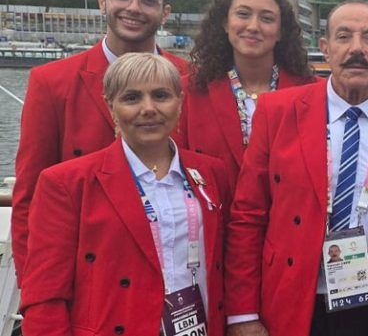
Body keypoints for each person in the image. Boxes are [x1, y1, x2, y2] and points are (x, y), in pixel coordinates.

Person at [225, 0, 368, 336]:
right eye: (344, 37)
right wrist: (242, 313)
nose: (356, 49)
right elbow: (248, 216)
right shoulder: (276, 112)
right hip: (293, 296)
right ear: (325, 49)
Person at [19, 53, 228, 335]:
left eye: (161, 95)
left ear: (180, 102)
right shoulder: (67, 184)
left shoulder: (212, 173)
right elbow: (45, 294)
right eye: (132, 98)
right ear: (110, 106)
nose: (148, 108)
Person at [13, 0, 188, 281]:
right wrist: (35, 291)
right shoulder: (52, 83)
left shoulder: (189, 79)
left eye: (147, 0)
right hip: (89, 273)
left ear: (165, 13)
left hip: (176, 270)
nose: (133, 8)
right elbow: (29, 198)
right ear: (102, 1)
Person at [179, 0, 314, 190]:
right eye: (243, 14)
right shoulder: (189, 91)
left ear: (280, 32)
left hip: (286, 218)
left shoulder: (312, 92)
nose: (253, 27)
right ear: (225, 23)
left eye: (267, 19)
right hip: (214, 217)